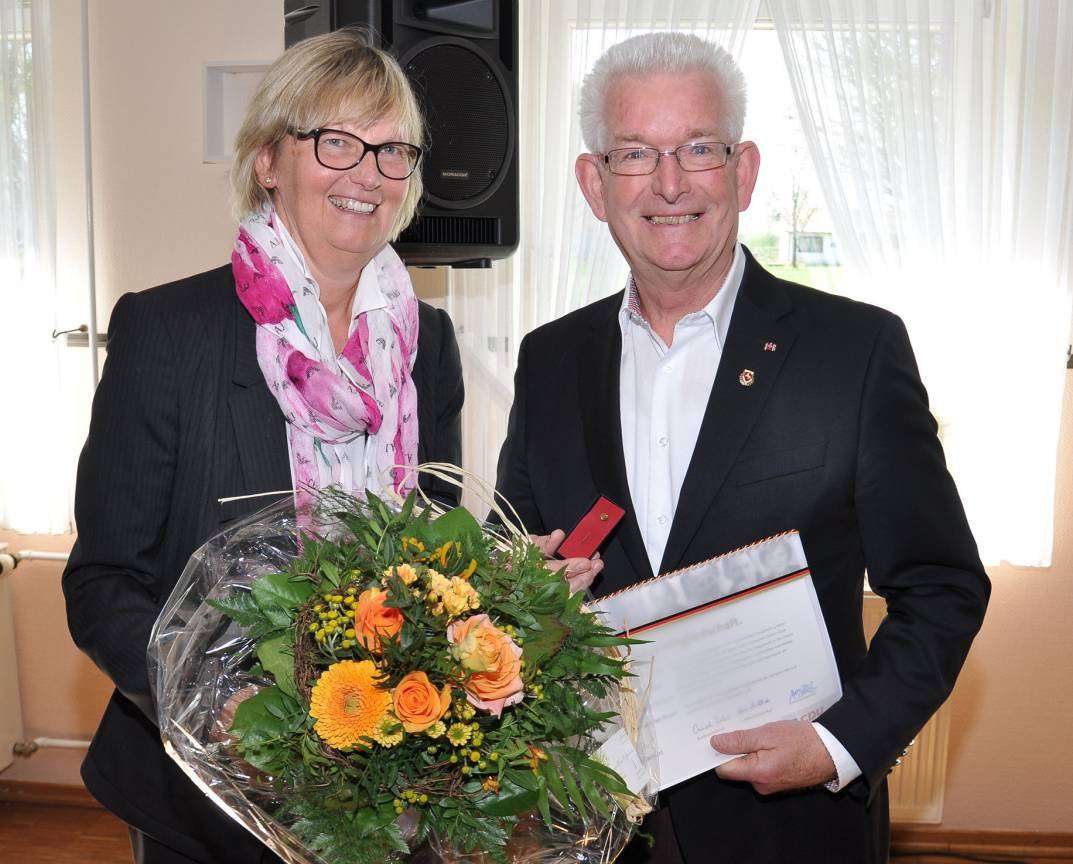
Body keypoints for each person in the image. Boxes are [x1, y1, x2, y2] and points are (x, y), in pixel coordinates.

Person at [495, 31, 989, 864]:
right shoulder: (548, 360)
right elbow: (512, 571)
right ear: (592, 183)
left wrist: (837, 746)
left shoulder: (853, 351)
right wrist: (527, 588)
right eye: (633, 154)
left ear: (744, 170)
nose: (669, 184)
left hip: (790, 830)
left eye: (699, 148)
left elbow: (940, 587)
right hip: (583, 829)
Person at [62, 29, 464, 864]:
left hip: (389, 783)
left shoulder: (430, 341)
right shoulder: (168, 332)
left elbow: (431, 552)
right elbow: (103, 580)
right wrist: (215, 705)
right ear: (268, 162)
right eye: (336, 141)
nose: (367, 173)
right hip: (206, 792)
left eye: (392, 150)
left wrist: (497, 589)